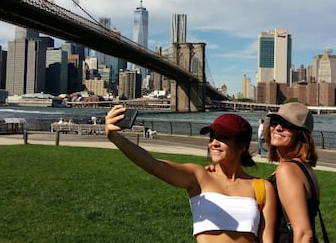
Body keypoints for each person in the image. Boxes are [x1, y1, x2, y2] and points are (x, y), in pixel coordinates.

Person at [105, 105, 276, 242]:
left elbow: (267, 239)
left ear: (242, 147)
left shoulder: (262, 187)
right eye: (212, 137)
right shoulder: (199, 176)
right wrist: (116, 138)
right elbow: (155, 166)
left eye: (223, 138)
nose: (214, 143)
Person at [265, 102, 320, 242]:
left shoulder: (287, 170)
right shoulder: (303, 168)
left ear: (301, 134)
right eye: (275, 122)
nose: (277, 128)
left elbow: (303, 234)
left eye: (287, 125)